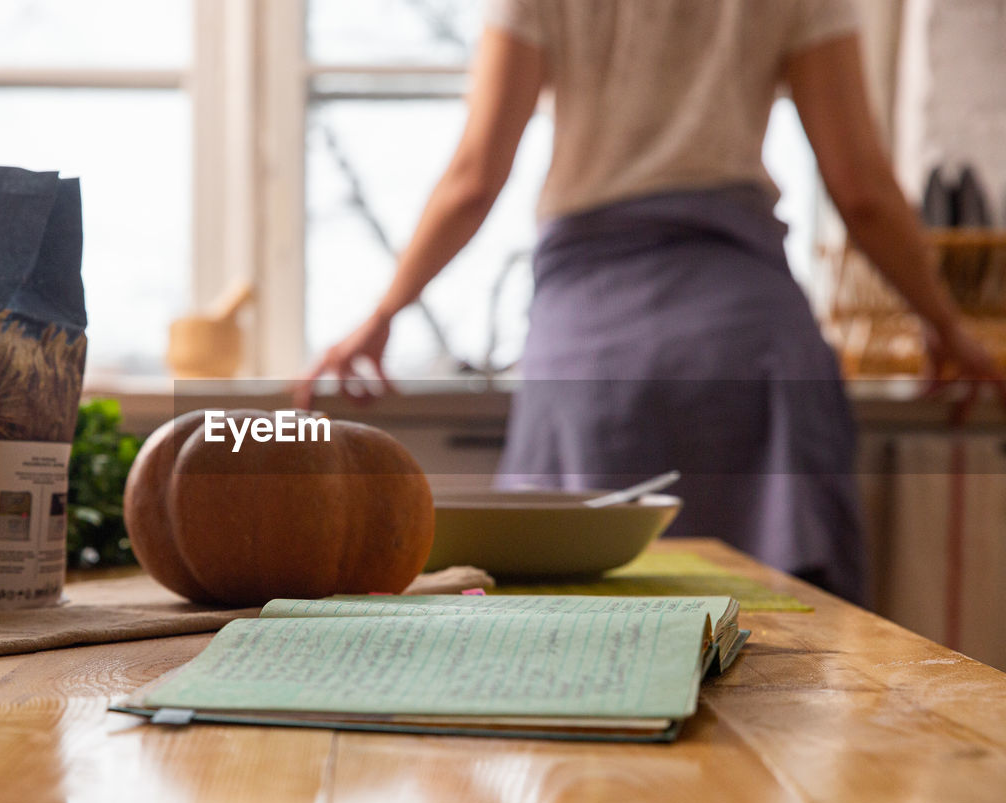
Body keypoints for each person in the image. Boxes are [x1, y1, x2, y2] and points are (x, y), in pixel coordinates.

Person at [294, 0, 1004, 604]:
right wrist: (942, 323)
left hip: (593, 344)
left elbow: (476, 176)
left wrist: (383, 314)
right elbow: (861, 189)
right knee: (788, 633)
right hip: (748, 341)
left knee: (570, 616)